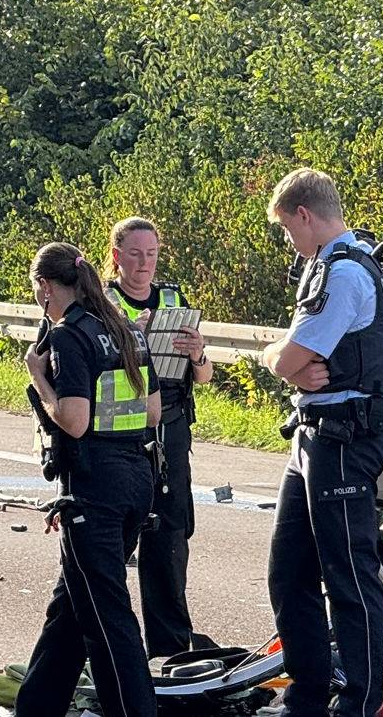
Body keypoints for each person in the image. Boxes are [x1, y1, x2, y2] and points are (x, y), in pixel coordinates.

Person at [260, 168, 383, 717]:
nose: (288, 242)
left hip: (343, 438)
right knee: (288, 572)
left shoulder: (344, 273)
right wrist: (286, 362)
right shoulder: (325, 265)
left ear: (305, 216)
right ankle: (309, 695)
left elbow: (291, 358)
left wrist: (280, 360)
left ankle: (359, 704)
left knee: (348, 576)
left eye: (288, 230)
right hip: (312, 436)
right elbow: (293, 360)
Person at [13, 243, 161, 717]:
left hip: (93, 488)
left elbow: (73, 420)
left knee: (107, 619)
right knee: (71, 609)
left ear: (45, 287)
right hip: (136, 480)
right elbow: (154, 411)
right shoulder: (125, 330)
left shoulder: (68, 336)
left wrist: (39, 378)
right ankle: (36, 707)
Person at [103, 216, 215, 657]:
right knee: (111, 547)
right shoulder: (103, 302)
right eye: (134, 254)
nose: (144, 263)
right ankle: (109, 650)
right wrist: (137, 341)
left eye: (151, 254)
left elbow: (203, 377)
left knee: (168, 544)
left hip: (171, 433)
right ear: (116, 257)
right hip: (122, 436)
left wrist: (198, 352)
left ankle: (169, 656)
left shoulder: (173, 300)